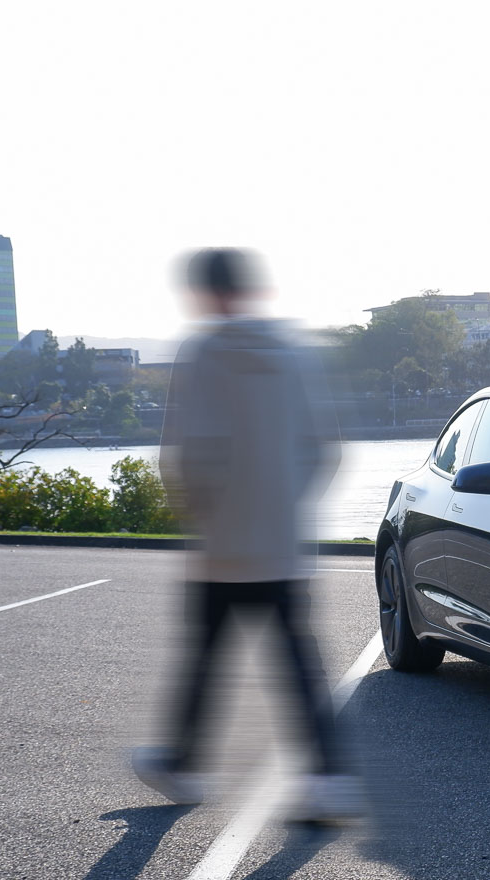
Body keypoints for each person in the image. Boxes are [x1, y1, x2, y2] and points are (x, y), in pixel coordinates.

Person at [132, 248, 357, 822]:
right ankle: (327, 780)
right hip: (282, 541)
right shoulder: (293, 351)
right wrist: (286, 507)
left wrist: (203, 519)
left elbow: (189, 452)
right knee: (298, 664)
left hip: (223, 547)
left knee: (205, 657)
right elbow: (325, 450)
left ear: (206, 292)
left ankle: (182, 764)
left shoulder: (205, 352)